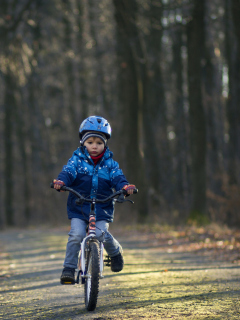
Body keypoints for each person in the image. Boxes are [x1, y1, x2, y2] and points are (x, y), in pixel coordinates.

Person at [53, 115, 136, 284]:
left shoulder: (110, 164)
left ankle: (115, 252)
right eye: (90, 142)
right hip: (79, 205)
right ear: (83, 143)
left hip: (102, 206)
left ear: (105, 144)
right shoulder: (76, 160)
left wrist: (125, 187)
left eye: (99, 143)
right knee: (76, 235)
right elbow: (68, 172)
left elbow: (118, 177)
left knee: (100, 234)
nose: (94, 146)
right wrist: (62, 182)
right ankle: (69, 268)